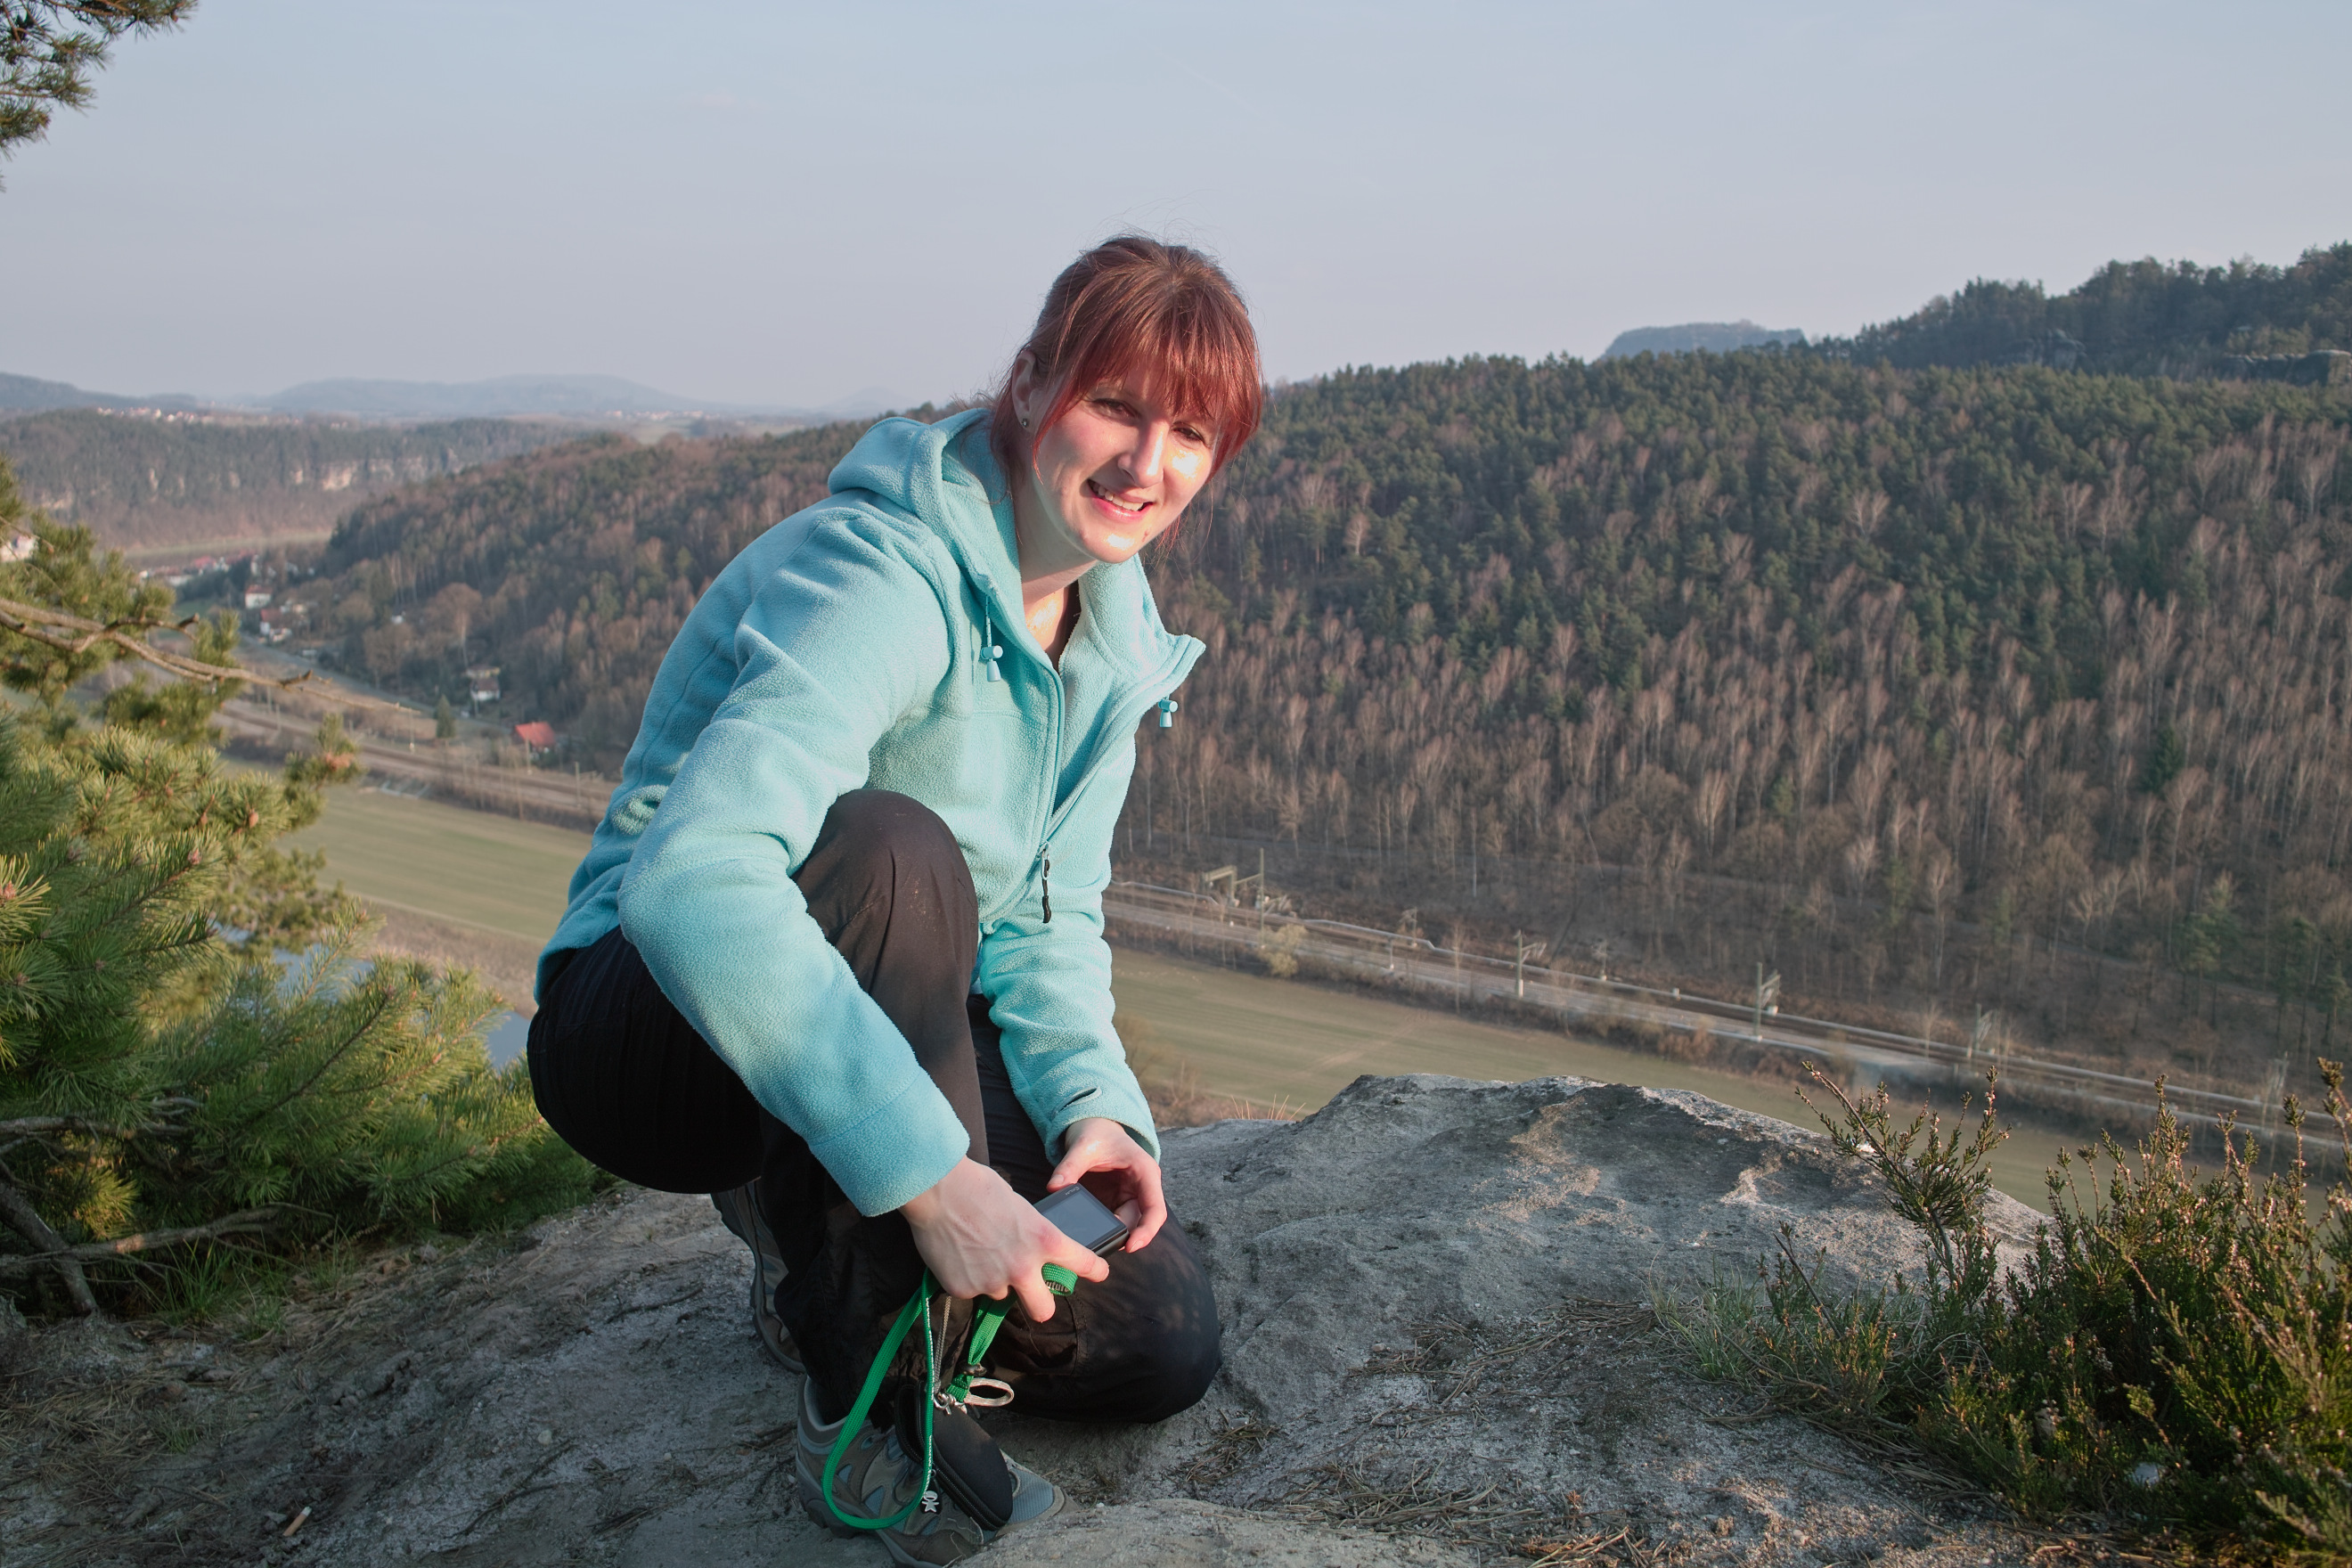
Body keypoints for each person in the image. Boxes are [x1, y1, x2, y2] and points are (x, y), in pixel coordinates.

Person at [526, 236, 1262, 1563]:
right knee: (889, 847)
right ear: (1030, 385)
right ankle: (868, 1402)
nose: (1147, 463)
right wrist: (930, 1177)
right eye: (1116, 405)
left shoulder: (1110, 637)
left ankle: (816, 1251)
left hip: (886, 1000)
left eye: (1193, 434)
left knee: (1156, 1341)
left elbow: (1046, 915)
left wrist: (1095, 1107)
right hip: (649, 1029)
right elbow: (692, 879)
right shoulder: (881, 571)